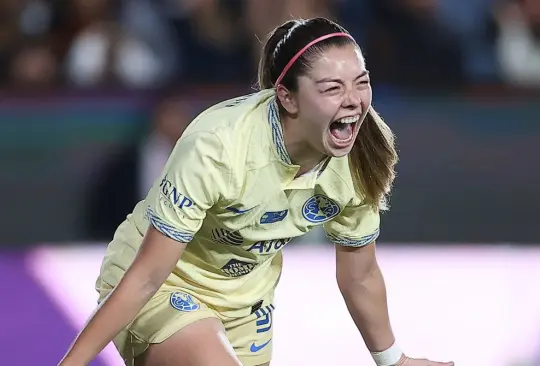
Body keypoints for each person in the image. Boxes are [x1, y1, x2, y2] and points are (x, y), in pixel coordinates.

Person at [59, 17, 454, 366]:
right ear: (287, 97)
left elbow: (360, 275)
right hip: (164, 285)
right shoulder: (219, 146)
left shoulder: (364, 148)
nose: (353, 100)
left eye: (361, 83)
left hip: (246, 306)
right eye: (333, 88)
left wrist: (394, 362)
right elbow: (147, 276)